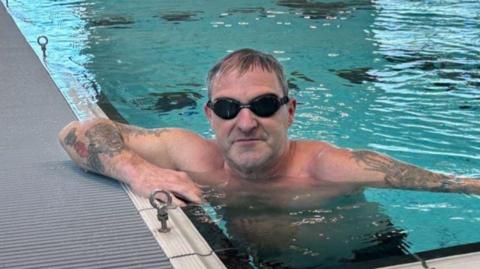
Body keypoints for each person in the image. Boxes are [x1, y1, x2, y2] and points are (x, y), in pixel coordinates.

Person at [59, 48, 479, 207]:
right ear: (209, 116)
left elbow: (453, 184)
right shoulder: (188, 154)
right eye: (227, 108)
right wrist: (140, 173)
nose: (245, 123)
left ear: (289, 111)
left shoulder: (325, 167)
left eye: (263, 105)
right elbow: (75, 132)